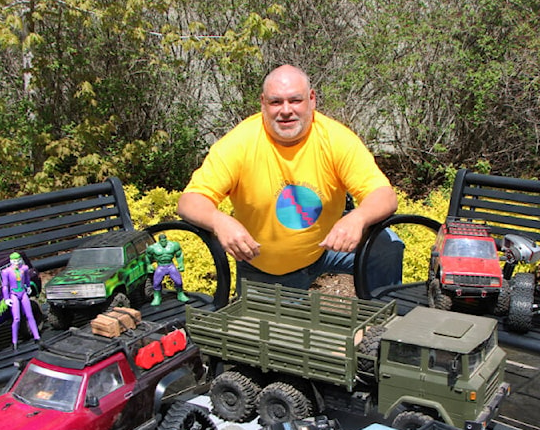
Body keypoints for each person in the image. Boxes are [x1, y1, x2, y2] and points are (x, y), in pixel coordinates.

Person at [177, 64, 403, 292]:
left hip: (326, 247)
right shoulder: (239, 143)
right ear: (263, 103)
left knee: (386, 245)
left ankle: (381, 319)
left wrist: (359, 217)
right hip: (266, 268)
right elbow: (190, 201)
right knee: (277, 329)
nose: (286, 110)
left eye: (295, 100)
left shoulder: (335, 138)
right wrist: (219, 221)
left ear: (312, 99)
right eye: (276, 102)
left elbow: (384, 196)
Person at [1, 252, 40, 349]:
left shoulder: (25, 268)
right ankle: (14, 341)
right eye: (14, 261)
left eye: (18, 260)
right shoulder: (6, 272)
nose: (17, 262)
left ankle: (37, 336)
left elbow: (27, 279)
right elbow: (5, 286)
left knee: (30, 315)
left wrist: (28, 287)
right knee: (17, 318)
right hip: (14, 294)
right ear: (11, 261)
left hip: (23, 293)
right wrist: (6, 298)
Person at [146, 233, 190, 306]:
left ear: (166, 239)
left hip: (170, 265)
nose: (164, 242)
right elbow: (148, 256)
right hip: (160, 266)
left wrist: (180, 264)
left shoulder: (173, 245)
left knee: (178, 281)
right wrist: (149, 265)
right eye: (162, 241)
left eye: (165, 240)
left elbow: (179, 254)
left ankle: (180, 294)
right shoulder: (153, 248)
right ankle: (157, 297)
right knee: (156, 283)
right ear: (159, 240)